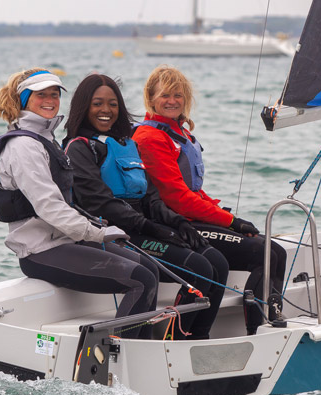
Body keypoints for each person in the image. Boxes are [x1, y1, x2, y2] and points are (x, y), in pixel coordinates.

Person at [0, 68, 159, 339]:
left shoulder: (45, 138)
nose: (50, 100)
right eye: (40, 95)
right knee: (142, 280)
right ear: (23, 100)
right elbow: (49, 207)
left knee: (149, 267)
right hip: (40, 251)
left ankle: (144, 351)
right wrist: (99, 233)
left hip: (65, 241)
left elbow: (66, 202)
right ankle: (114, 357)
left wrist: (97, 226)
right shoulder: (23, 146)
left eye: (55, 94)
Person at [63, 73, 227, 340]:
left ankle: (198, 339)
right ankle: (173, 344)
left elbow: (151, 198)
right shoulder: (79, 149)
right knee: (200, 268)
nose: (106, 110)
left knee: (217, 262)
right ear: (84, 107)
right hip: (114, 236)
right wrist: (153, 228)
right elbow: (101, 203)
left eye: (113, 104)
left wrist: (177, 223)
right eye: (97, 103)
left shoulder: (128, 145)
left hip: (142, 228)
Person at [133, 65, 287, 335]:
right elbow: (177, 198)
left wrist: (223, 215)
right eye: (165, 95)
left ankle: (262, 324)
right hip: (174, 223)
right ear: (151, 98)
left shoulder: (180, 134)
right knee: (263, 253)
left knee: (275, 251)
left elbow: (192, 190)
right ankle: (244, 330)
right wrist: (230, 221)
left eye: (178, 95)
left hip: (193, 216)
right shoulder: (149, 137)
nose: (172, 101)